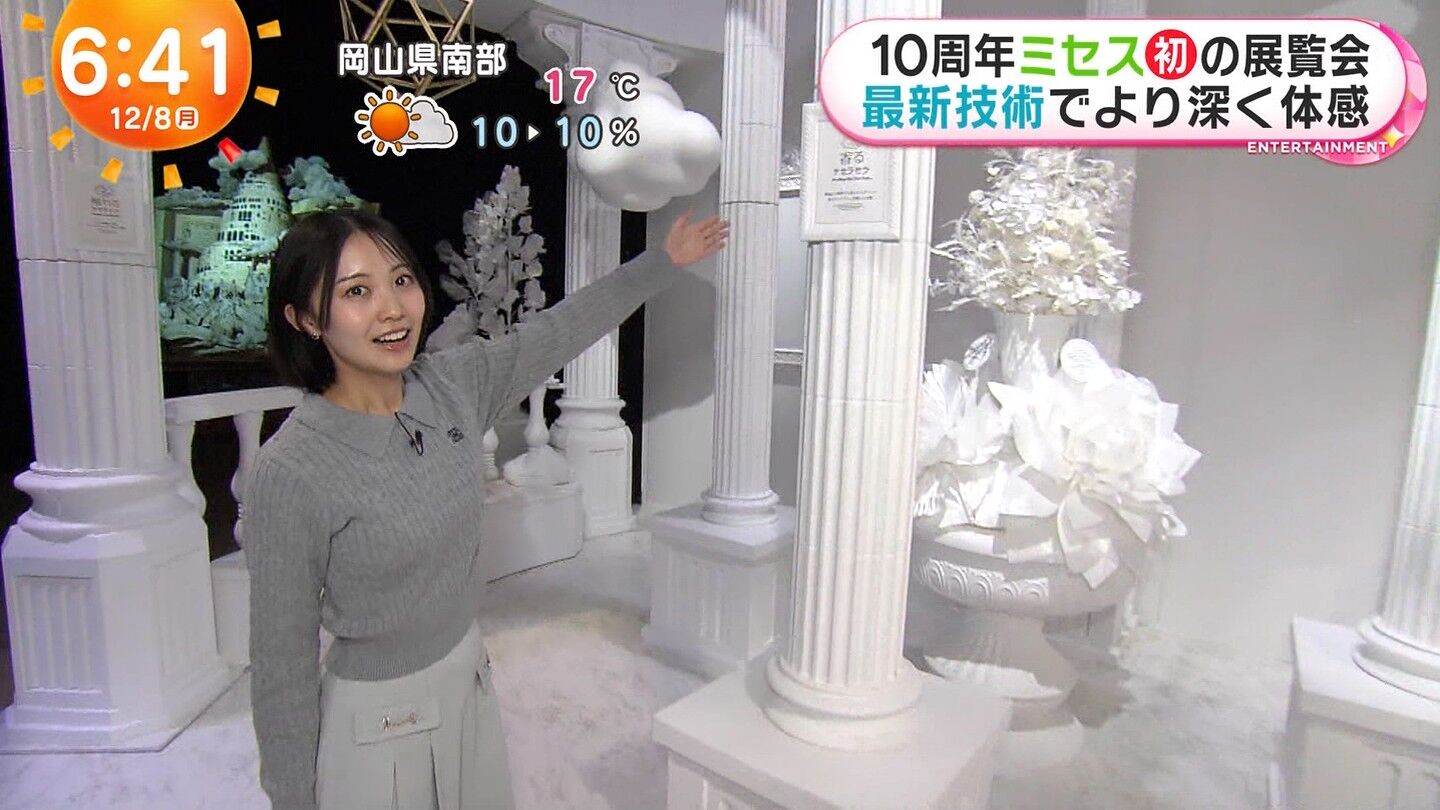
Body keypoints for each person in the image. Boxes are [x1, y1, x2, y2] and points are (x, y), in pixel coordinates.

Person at [242, 208, 728, 810]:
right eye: (357, 292)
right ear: (306, 319)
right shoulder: (292, 469)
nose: (393, 309)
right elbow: (280, 661)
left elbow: (558, 330)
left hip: (469, 680)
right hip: (375, 725)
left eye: (401, 280)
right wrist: (291, 798)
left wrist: (660, 263)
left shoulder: (453, 385)